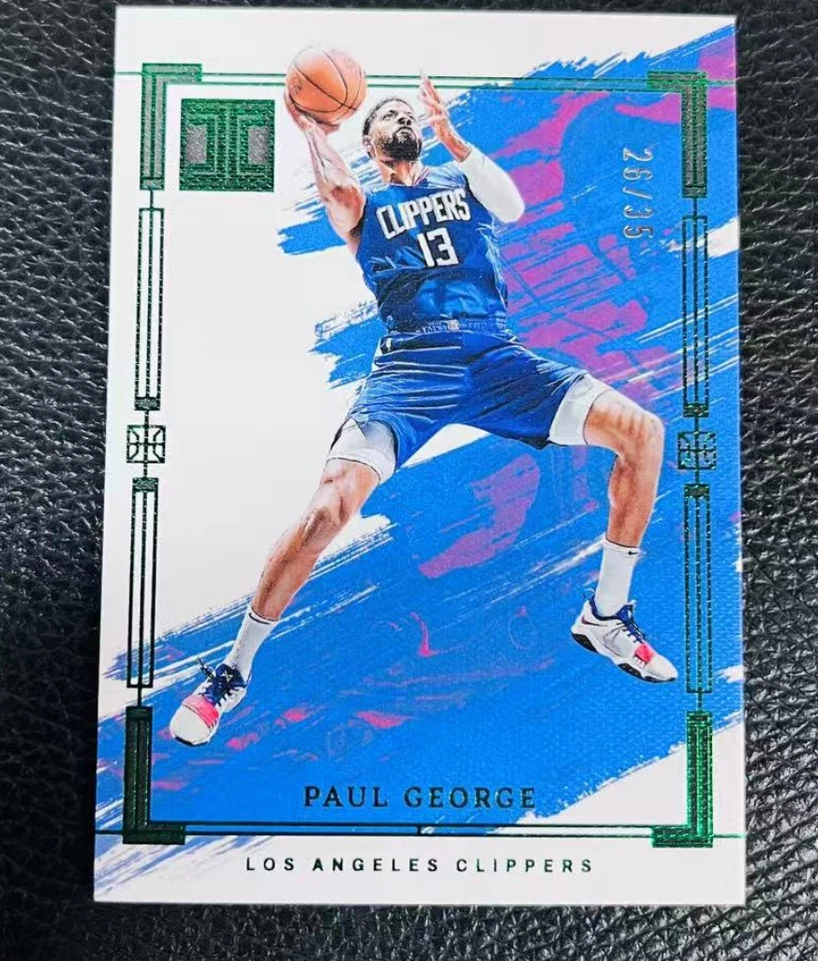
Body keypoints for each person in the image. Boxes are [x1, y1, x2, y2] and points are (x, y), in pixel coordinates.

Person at [170, 75, 676, 747]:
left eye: (408, 110)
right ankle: (232, 674)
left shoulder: (465, 180)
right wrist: (313, 131)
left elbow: (514, 206)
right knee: (328, 508)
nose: (401, 114)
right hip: (413, 368)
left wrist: (455, 140)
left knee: (643, 433)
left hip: (495, 357)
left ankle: (606, 616)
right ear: (370, 144)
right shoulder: (364, 204)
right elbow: (336, 192)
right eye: (387, 112)